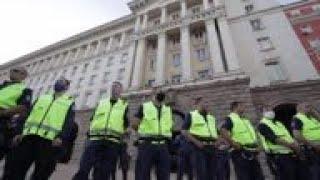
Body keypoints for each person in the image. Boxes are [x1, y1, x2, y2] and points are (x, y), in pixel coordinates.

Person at [7, 78, 75, 180]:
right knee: (17, 169)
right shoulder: (42, 97)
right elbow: (27, 115)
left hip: (49, 141)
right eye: (58, 81)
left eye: (62, 82)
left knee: (41, 173)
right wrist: (19, 131)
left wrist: (61, 137)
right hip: (28, 137)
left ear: (67, 87)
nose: (59, 83)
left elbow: (68, 123)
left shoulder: (69, 102)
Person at [73, 81, 129, 180]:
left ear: (121, 91)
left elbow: (126, 124)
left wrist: (125, 133)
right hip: (94, 140)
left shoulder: (124, 105)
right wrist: (89, 132)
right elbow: (93, 119)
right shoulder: (102, 102)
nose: (115, 88)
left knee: (103, 172)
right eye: (113, 86)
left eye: (117, 87)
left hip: (112, 143)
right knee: (84, 168)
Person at [132, 88, 174, 180]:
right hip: (147, 144)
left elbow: (170, 126)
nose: (161, 93)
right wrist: (144, 133)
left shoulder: (168, 110)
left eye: (162, 92)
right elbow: (134, 124)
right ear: (152, 94)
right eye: (158, 92)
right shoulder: (144, 106)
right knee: (143, 173)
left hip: (163, 145)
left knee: (164, 174)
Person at [0, 67, 32, 180]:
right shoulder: (3, 85)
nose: (12, 72)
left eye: (16, 71)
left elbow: (23, 107)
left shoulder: (25, 90)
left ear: (23, 76)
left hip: (3, 122)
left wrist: (4, 113)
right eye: (12, 70)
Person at [220, 101, 264, 180]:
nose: (244, 107)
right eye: (242, 106)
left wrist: (258, 145)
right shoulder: (230, 118)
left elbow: (252, 134)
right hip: (240, 152)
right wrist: (233, 143)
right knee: (244, 176)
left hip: (252, 151)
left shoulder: (245, 120)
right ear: (236, 107)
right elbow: (223, 130)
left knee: (258, 176)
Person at [258, 106, 300, 180]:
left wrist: (295, 144)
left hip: (290, 153)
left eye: (271, 109)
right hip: (278, 156)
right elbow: (274, 139)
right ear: (262, 112)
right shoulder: (262, 124)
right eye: (267, 109)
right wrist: (292, 145)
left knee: (296, 175)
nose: (270, 111)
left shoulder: (278, 123)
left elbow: (288, 136)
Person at [181, 97, 218, 180]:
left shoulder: (211, 117)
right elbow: (184, 131)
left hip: (212, 148)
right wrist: (196, 142)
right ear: (197, 104)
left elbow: (216, 132)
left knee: (212, 174)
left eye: (208, 103)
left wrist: (217, 141)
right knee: (201, 174)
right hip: (198, 148)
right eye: (204, 102)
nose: (207, 104)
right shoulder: (191, 115)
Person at [292, 103, 320, 180]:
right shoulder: (297, 118)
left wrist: (316, 114)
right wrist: (313, 145)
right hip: (311, 149)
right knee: (316, 171)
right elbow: (297, 135)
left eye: (310, 106)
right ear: (300, 109)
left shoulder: (312, 118)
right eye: (307, 106)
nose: (310, 108)